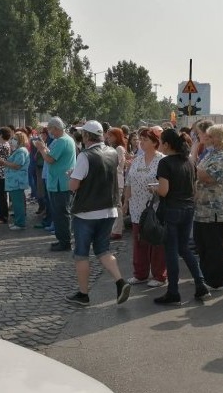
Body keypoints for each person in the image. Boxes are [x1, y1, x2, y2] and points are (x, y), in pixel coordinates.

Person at [64, 120, 131, 307]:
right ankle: (120, 281)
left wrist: (72, 176)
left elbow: (74, 186)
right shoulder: (112, 152)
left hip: (87, 212)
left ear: (86, 136)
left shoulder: (85, 156)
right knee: (103, 250)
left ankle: (83, 294)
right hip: (109, 210)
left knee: (81, 254)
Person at [151, 129, 210, 305]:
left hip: (171, 210)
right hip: (188, 208)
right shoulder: (189, 161)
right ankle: (200, 284)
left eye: (161, 141)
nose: (159, 144)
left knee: (171, 251)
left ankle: (173, 291)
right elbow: (194, 187)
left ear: (167, 144)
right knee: (184, 249)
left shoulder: (165, 162)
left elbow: (163, 190)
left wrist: (153, 188)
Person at [194, 124, 223, 289]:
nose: (207, 139)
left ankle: (215, 281)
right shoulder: (211, 154)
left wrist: (194, 166)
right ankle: (206, 277)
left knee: (214, 246)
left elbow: (208, 176)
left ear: (220, 138)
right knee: (203, 244)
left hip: (216, 209)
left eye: (211, 136)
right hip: (203, 209)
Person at [123, 127, 166, 287]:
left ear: (155, 142)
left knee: (156, 241)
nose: (141, 142)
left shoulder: (162, 160)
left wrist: (156, 188)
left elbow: (164, 183)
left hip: (155, 207)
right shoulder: (137, 160)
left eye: (145, 140)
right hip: (136, 207)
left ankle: (159, 275)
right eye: (140, 139)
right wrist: (126, 202)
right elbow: (128, 182)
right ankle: (140, 274)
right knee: (139, 241)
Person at [34, 116, 77, 252]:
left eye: (51, 129)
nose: (50, 132)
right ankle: (62, 240)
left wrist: (41, 148)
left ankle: (65, 242)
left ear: (56, 128)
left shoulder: (62, 141)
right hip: (60, 182)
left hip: (60, 183)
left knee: (61, 214)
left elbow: (50, 159)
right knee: (60, 213)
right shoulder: (66, 139)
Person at [0, 131, 31, 230]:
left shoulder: (21, 151)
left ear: (20, 140)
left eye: (15, 139)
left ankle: (20, 223)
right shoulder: (18, 150)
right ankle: (17, 221)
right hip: (14, 181)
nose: (12, 140)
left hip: (17, 181)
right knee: (16, 204)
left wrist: (4, 162)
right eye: (13, 138)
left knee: (18, 204)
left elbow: (17, 165)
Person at [106, 127, 129, 240]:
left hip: (117, 179)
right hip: (112, 178)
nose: (108, 138)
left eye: (111, 136)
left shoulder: (119, 148)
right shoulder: (112, 148)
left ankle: (117, 230)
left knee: (117, 205)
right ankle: (117, 227)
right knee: (114, 205)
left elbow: (117, 165)